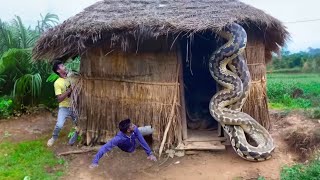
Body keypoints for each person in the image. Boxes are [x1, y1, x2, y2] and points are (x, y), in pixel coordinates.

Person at [89, 118, 157, 168]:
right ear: (128, 130)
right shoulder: (118, 139)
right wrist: (94, 162)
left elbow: (141, 139)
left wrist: (150, 154)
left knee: (150, 130)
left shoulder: (135, 129)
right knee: (110, 146)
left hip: (134, 140)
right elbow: (104, 148)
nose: (133, 125)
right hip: (129, 148)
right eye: (131, 125)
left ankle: (154, 130)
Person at [47, 60, 78, 147]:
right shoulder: (57, 83)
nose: (64, 67)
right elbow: (59, 99)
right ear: (58, 71)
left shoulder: (71, 77)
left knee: (79, 124)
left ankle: (74, 138)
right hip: (64, 107)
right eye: (62, 66)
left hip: (74, 106)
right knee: (59, 125)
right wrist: (69, 90)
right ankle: (53, 138)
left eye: (63, 65)